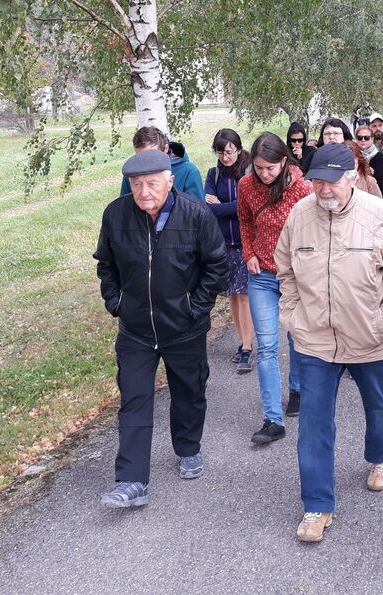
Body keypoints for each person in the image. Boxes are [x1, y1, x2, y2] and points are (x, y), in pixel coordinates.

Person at [275, 143, 383, 543]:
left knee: (380, 404)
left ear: (351, 178)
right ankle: (317, 505)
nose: (324, 189)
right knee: (313, 423)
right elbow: (285, 270)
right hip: (315, 338)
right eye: (317, 181)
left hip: (370, 335)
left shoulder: (378, 215)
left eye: (332, 181)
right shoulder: (300, 215)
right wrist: (294, 315)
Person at [94, 150, 228, 508]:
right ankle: (132, 480)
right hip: (136, 331)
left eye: (152, 183)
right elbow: (105, 264)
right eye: (137, 184)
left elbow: (217, 267)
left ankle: (188, 448)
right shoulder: (116, 214)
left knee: (189, 390)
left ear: (169, 181)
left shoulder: (195, 215)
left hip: (184, 328)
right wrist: (116, 302)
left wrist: (193, 308)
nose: (144, 192)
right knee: (134, 399)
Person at [237, 132, 313, 443]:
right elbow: (243, 220)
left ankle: (296, 390)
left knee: (296, 337)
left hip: (295, 277)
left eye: (271, 168)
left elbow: (314, 229)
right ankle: (272, 419)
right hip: (262, 276)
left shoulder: (302, 188)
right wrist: (248, 253)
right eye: (259, 168)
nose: (265, 174)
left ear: (284, 161)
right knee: (267, 346)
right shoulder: (246, 186)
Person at [204, 128, 255, 372]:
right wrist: (230, 207)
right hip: (224, 243)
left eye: (230, 151)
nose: (226, 157)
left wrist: (223, 206)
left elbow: (248, 205)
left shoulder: (249, 172)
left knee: (244, 295)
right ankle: (241, 340)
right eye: (221, 152)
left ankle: (247, 346)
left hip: (247, 241)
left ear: (238, 148)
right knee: (233, 295)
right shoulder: (213, 175)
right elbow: (209, 208)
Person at [119, 126, 205, 202]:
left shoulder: (189, 172)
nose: (146, 162)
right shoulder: (132, 173)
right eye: (140, 157)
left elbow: (198, 214)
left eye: (152, 156)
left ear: (166, 148)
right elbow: (124, 207)